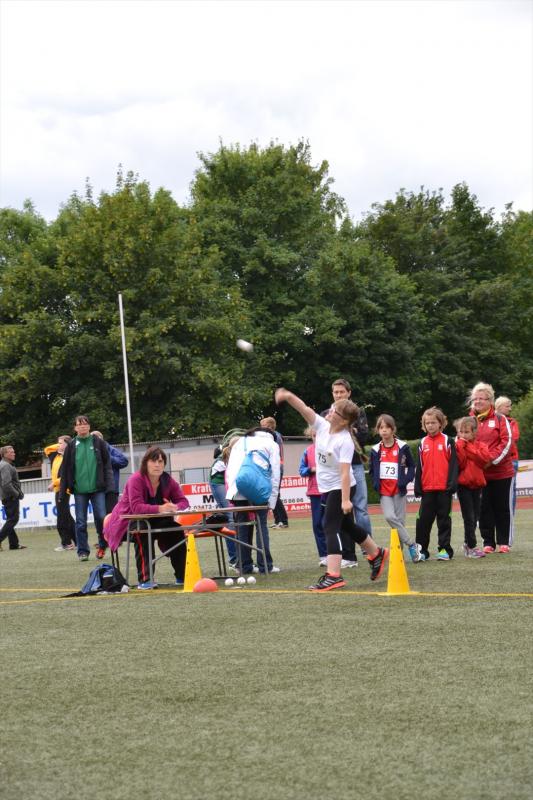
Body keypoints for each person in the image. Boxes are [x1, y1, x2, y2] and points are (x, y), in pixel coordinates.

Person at [275, 388, 388, 591]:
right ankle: (376, 553)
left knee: (329, 526)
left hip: (341, 488)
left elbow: (345, 473)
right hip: (328, 487)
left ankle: (334, 575)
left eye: (335, 411)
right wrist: (288, 396)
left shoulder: (344, 441)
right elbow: (304, 409)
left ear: (344, 421)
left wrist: (345, 500)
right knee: (346, 525)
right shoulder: (322, 425)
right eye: (332, 408)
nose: (330, 412)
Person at [104, 446, 190, 589]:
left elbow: (184, 502)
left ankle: (183, 576)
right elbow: (136, 508)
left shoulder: (167, 480)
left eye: (161, 461)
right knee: (142, 531)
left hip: (155, 520)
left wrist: (175, 507)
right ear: (146, 463)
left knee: (175, 529)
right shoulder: (136, 479)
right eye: (153, 461)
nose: (157, 465)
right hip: (128, 521)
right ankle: (145, 580)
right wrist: (161, 508)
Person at [323, 379, 372, 567]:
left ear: (349, 393)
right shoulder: (326, 414)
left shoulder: (356, 412)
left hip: (354, 465)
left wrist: (348, 430)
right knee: (342, 517)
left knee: (360, 508)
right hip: (334, 472)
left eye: (342, 392)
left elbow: (363, 435)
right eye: (335, 392)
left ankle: (367, 549)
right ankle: (350, 555)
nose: (338, 395)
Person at [225, 426, 281, 574]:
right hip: (259, 489)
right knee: (261, 526)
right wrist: (272, 501)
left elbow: (230, 470)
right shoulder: (272, 444)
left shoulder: (240, 442)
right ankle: (265, 566)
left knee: (242, 527)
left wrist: (232, 493)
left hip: (238, 489)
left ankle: (244, 566)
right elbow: (275, 474)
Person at [58, 415, 114, 562]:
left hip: (98, 489)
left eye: (85, 424)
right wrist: (63, 492)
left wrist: (110, 486)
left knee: (101, 518)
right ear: (75, 428)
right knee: (81, 522)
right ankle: (83, 551)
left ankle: (102, 546)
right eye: (79, 424)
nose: (82, 426)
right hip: (79, 491)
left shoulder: (98, 442)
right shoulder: (71, 446)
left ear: (89, 426)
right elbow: (65, 470)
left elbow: (107, 465)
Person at [469, 383, 514, 553]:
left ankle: (503, 542)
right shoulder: (470, 420)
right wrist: (477, 461)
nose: (478, 401)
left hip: (501, 472)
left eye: (482, 398)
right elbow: (464, 442)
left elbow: (507, 442)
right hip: (479, 473)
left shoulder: (500, 419)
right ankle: (488, 542)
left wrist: (491, 460)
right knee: (483, 508)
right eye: (475, 398)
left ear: (490, 400)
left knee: (501, 507)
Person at [369, 414, 421, 562]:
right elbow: (372, 470)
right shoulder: (375, 450)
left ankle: (400, 556)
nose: (384, 430)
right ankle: (412, 544)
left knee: (399, 523)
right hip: (384, 491)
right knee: (390, 517)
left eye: (387, 427)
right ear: (378, 430)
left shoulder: (402, 446)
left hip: (399, 490)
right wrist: (375, 483)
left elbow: (412, 466)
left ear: (393, 429)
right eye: (381, 427)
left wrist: (405, 480)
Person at [414, 407, 458, 561]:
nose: (430, 425)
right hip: (427, 490)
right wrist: (418, 486)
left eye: (433, 422)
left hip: (444, 489)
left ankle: (444, 550)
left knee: (444, 520)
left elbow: (453, 464)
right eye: (427, 423)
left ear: (440, 423)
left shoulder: (448, 441)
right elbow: (420, 466)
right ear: (424, 425)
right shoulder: (422, 443)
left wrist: (452, 484)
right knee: (423, 521)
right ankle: (422, 551)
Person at [454, 417, 490, 559]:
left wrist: (468, 447)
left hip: (478, 485)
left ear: (474, 432)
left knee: (475, 516)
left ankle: (467, 543)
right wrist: (462, 446)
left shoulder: (481, 445)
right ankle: (471, 546)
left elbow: (484, 460)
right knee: (468, 517)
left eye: (467, 432)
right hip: (463, 486)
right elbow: (461, 463)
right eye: (461, 432)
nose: (463, 435)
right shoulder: (457, 446)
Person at [92, 431, 129, 558]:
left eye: (97, 439)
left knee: (112, 517)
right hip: (95, 489)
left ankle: (115, 539)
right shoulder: (88, 452)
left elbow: (124, 461)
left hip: (111, 489)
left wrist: (107, 457)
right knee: (99, 518)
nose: (95, 441)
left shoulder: (110, 449)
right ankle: (102, 545)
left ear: (102, 440)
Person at [299, 427, 327, 566]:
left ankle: (337, 553)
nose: (317, 438)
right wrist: (311, 469)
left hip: (329, 491)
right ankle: (323, 555)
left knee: (329, 524)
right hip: (314, 492)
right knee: (317, 524)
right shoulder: (307, 451)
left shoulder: (329, 449)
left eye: (319, 435)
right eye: (314, 435)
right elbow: (301, 471)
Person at [44, 436, 76, 551]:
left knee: (62, 518)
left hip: (64, 489)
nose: (58, 445)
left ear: (68, 445)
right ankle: (78, 541)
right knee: (66, 516)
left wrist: (53, 484)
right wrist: (60, 446)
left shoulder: (69, 458)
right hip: (58, 489)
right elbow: (47, 449)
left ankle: (66, 543)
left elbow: (65, 476)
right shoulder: (55, 455)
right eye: (58, 443)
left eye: (61, 443)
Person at [209, 443, 237, 568]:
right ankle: (234, 559)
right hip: (219, 482)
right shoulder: (222, 459)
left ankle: (240, 558)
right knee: (230, 517)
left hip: (223, 482)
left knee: (234, 518)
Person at [260, 417, 289, 528]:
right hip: (275, 466)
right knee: (273, 494)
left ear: (269, 426)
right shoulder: (276, 435)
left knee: (275, 494)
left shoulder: (273, 436)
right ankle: (278, 520)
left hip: (276, 467)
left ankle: (283, 521)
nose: (261, 428)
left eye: (263, 426)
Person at [494, 396, 520, 517]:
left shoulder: (512, 422)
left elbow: (513, 437)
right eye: (507, 406)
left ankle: (510, 517)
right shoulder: (490, 420)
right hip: (493, 460)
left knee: (510, 491)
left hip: (511, 460)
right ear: (499, 407)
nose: (510, 409)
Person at [0, 445, 26, 551]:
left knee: (10, 519)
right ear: (4, 454)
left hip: (8, 496)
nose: (14, 453)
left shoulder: (5, 464)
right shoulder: (5, 466)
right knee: (13, 519)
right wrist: (17, 494)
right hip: (10, 496)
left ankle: (14, 544)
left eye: (13, 451)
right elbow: (6, 484)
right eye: (11, 452)